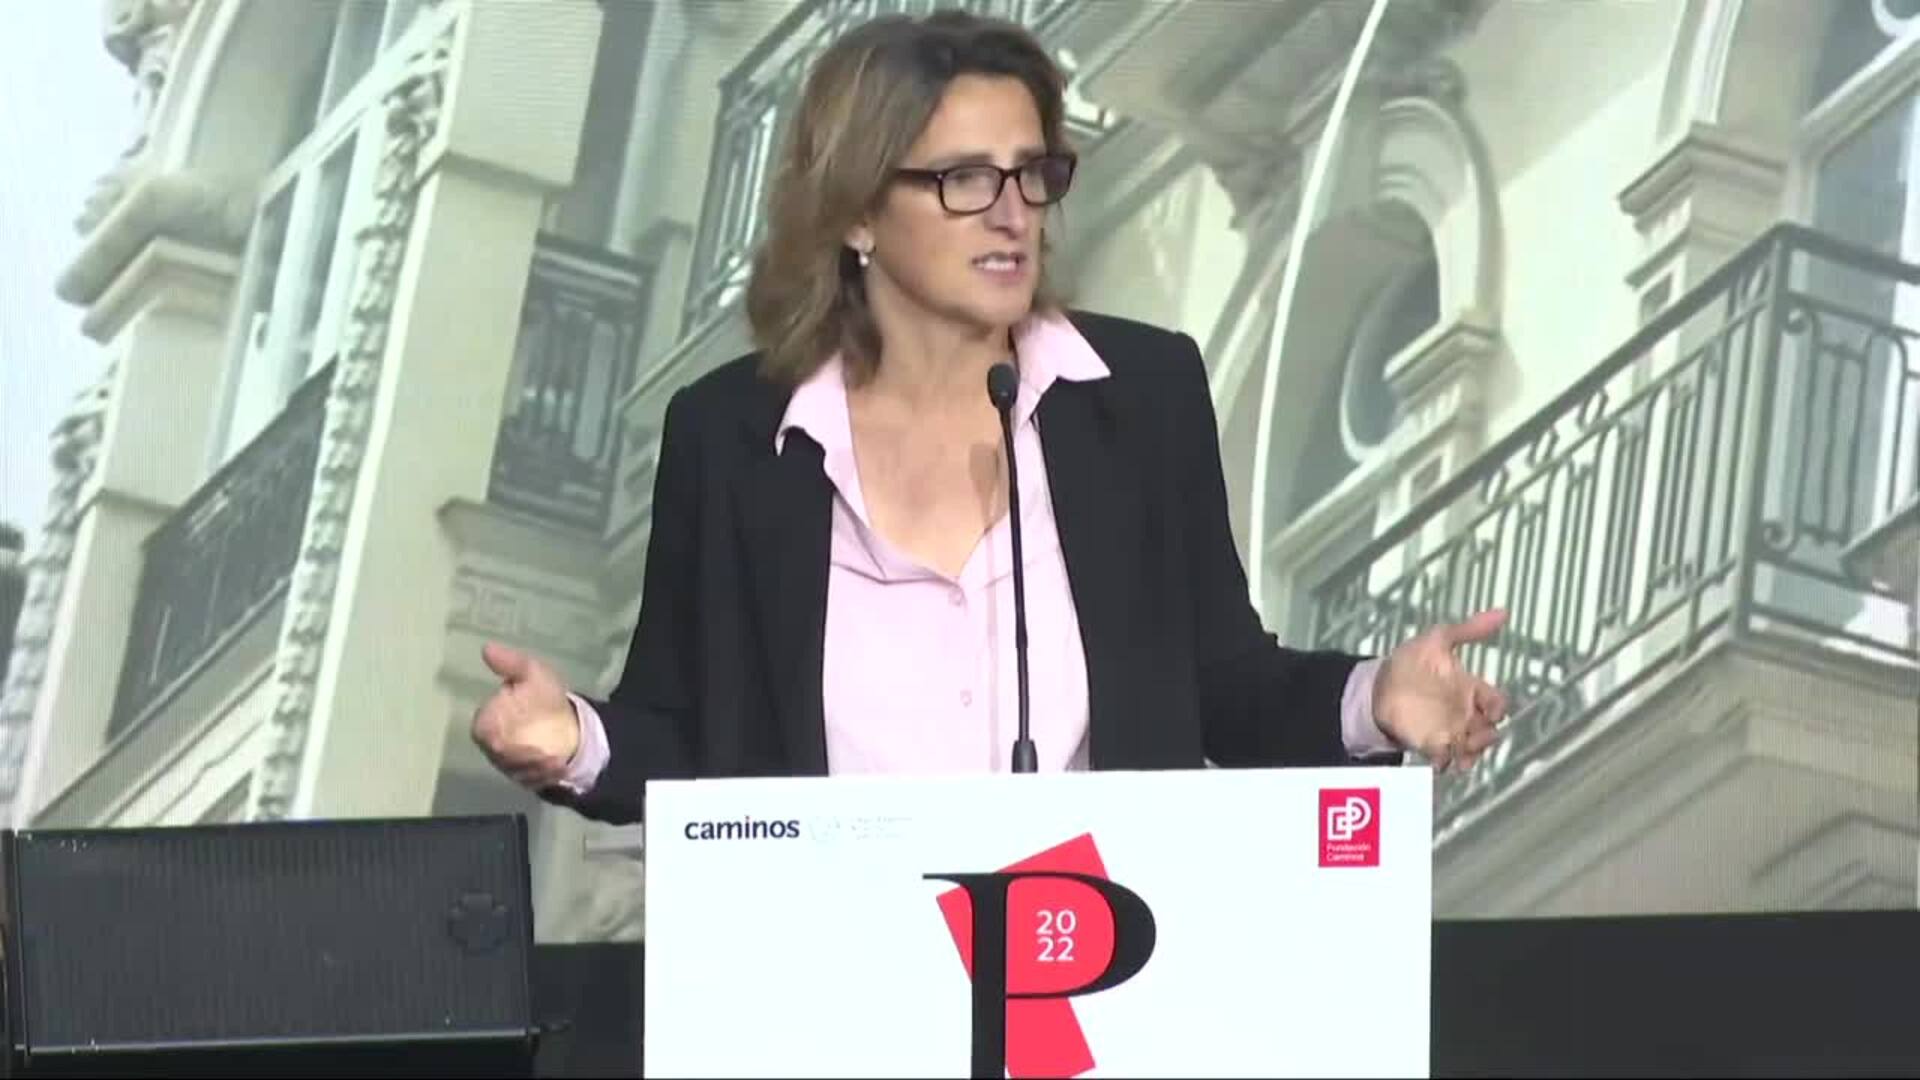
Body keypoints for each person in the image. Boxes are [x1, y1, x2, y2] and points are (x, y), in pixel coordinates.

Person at [471, 10, 1509, 826]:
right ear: (857, 213)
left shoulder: (1139, 397)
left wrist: (1374, 700)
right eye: (964, 179)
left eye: (1031, 172)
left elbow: (1224, 687)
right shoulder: (734, 439)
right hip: (832, 980)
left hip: (1093, 966)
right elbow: (688, 737)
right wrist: (575, 740)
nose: (1013, 212)